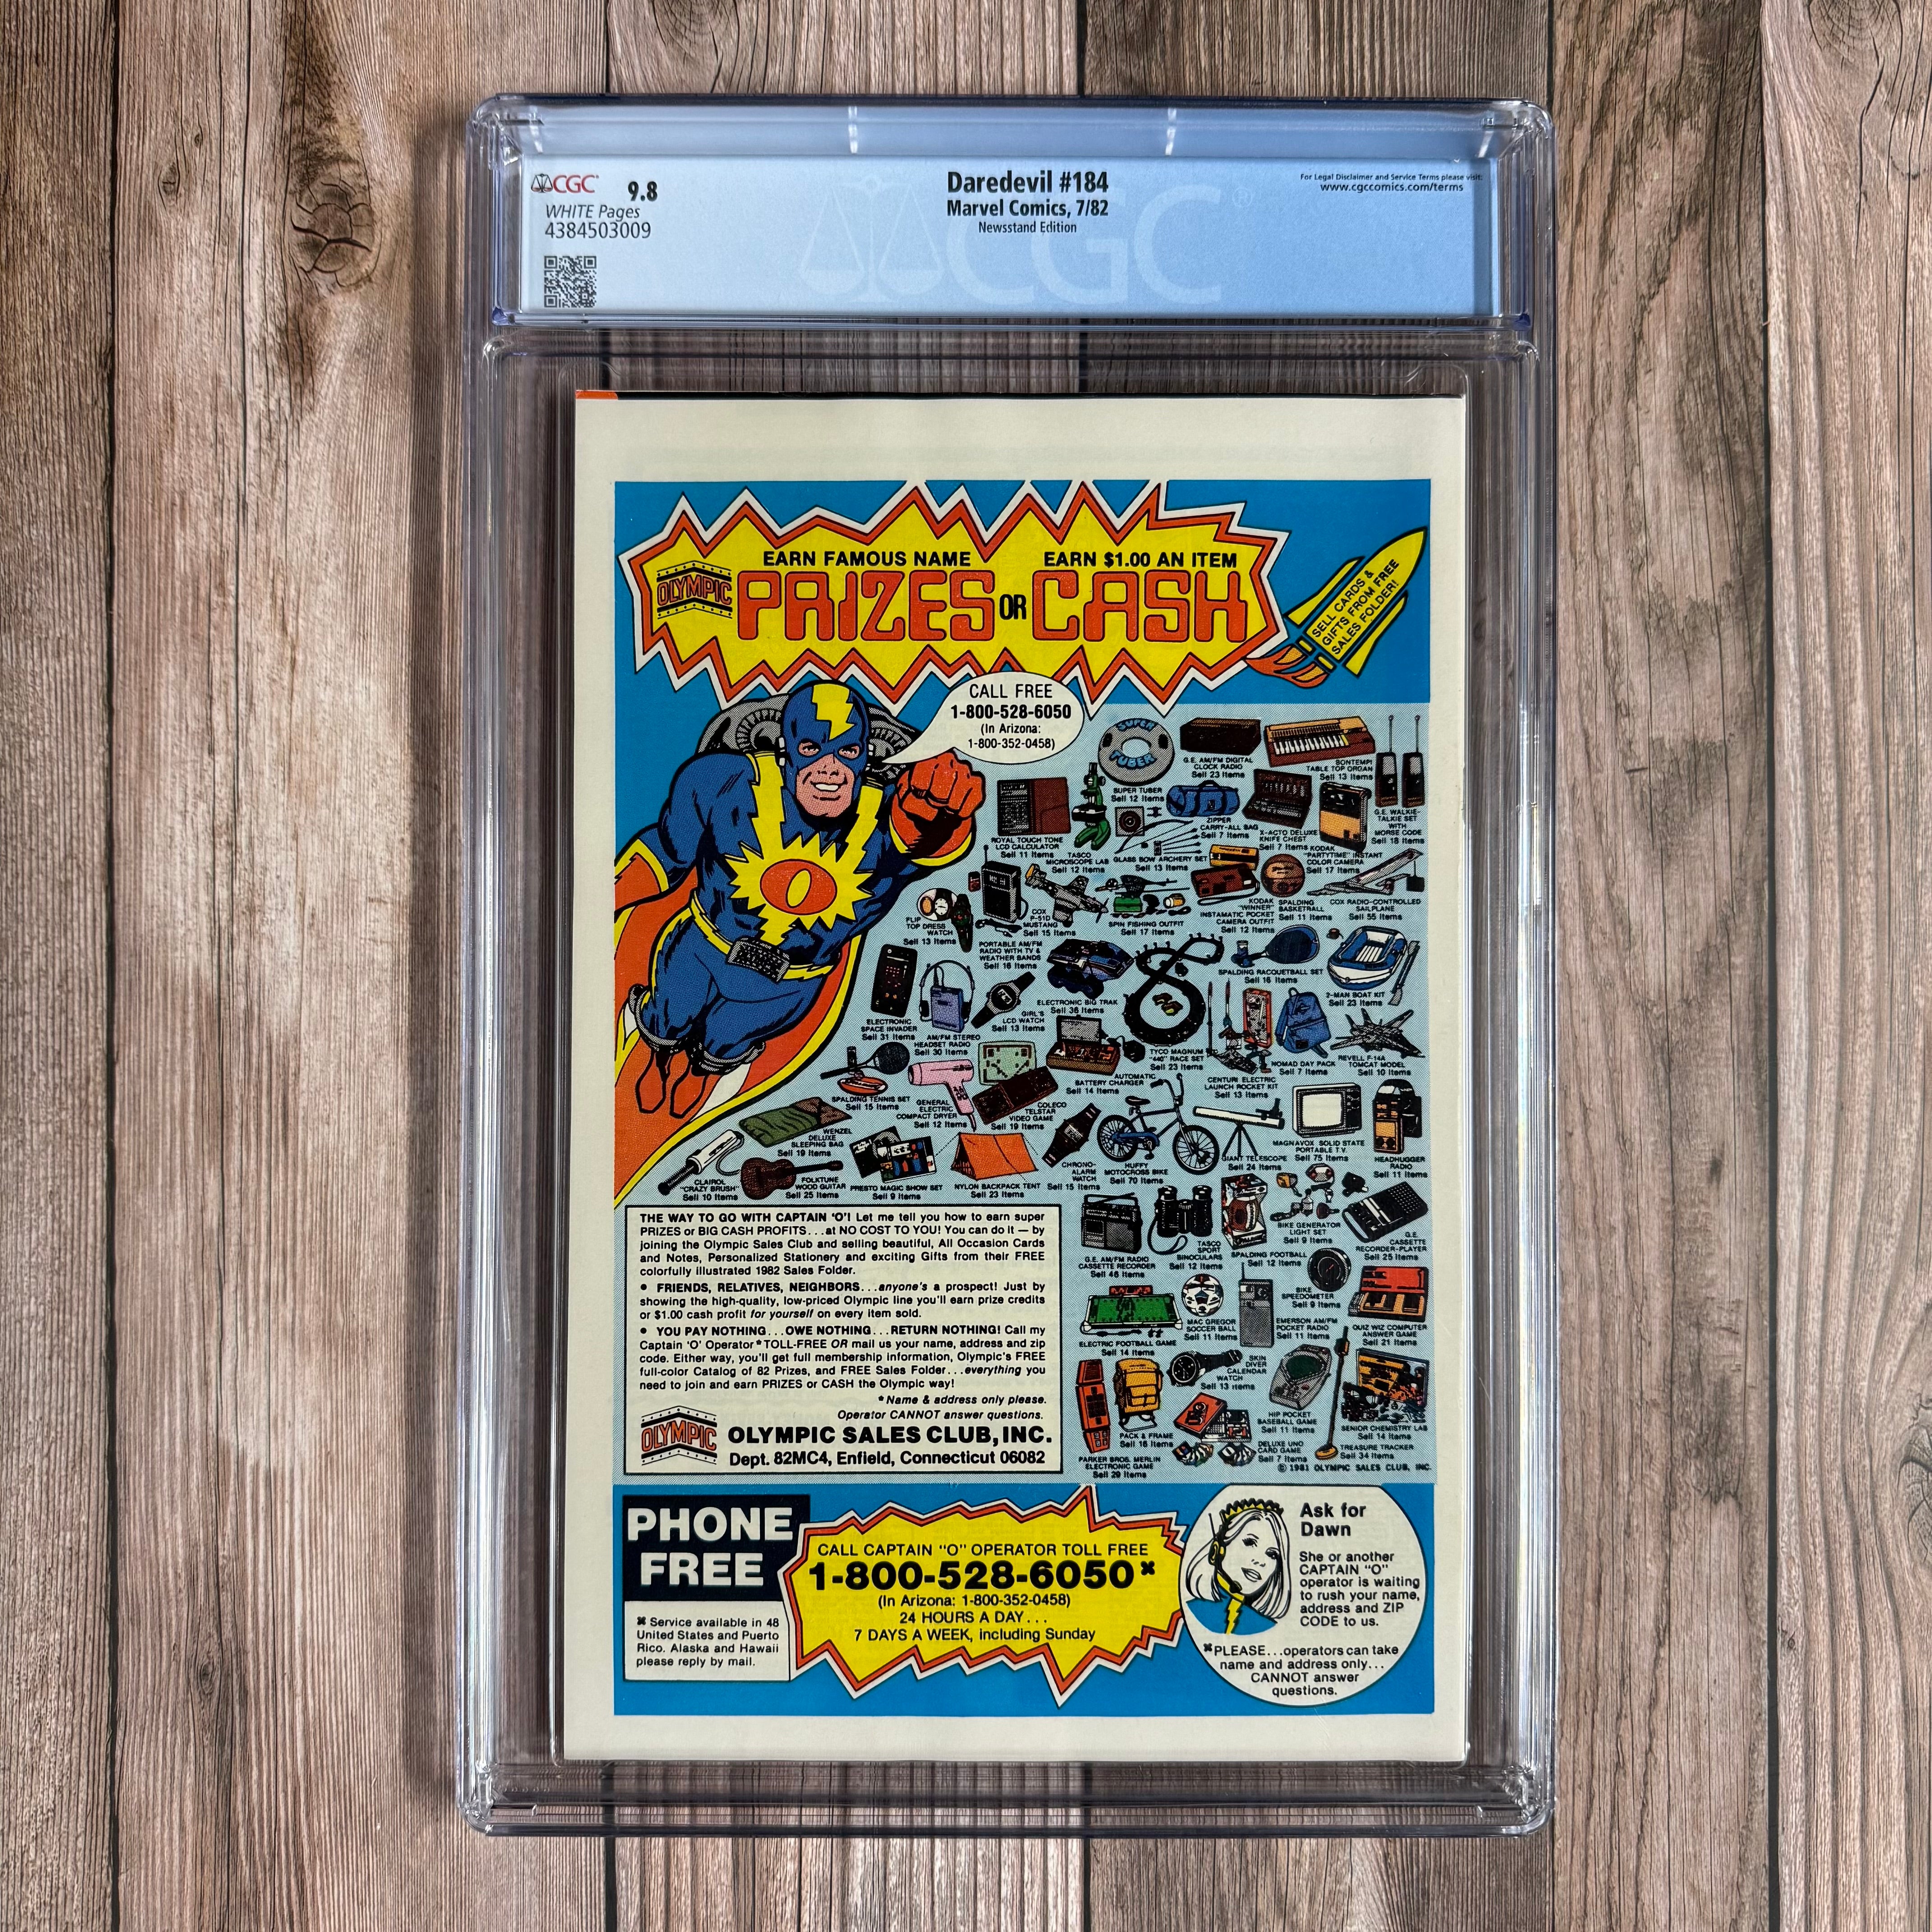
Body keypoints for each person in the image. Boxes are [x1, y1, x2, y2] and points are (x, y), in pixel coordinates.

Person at [616, 678, 982, 1116]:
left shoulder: (889, 819)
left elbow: (925, 841)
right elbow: (664, 853)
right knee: (668, 1017)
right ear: (786, 748)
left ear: (865, 756)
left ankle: (700, 1071)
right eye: (812, 748)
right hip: (700, 951)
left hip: (787, 985)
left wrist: (941, 816)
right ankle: (659, 1058)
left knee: (726, 1041)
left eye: (847, 752)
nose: (830, 768)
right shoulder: (723, 782)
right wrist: (603, 903)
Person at [1185, 1497, 1292, 1634]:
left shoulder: (1265, 1626)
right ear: (1216, 1552)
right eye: (1250, 1543)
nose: (1261, 1561)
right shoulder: (1194, 1612)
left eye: (1272, 1555)